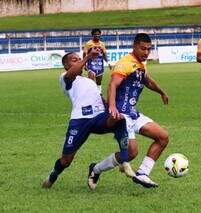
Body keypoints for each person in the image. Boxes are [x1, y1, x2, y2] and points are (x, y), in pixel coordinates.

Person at [42, 49, 134, 189]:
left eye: (79, 59)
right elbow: (72, 73)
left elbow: (100, 99)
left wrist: (111, 107)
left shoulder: (89, 82)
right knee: (66, 160)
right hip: (80, 121)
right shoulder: (65, 77)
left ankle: (124, 160)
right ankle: (53, 175)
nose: (78, 61)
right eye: (74, 60)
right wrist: (87, 57)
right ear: (66, 66)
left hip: (98, 117)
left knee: (119, 119)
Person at [88, 33, 169, 189]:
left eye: (149, 49)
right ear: (134, 47)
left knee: (163, 137)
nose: (146, 52)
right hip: (121, 115)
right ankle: (96, 169)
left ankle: (143, 173)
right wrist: (111, 106)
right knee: (132, 152)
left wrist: (161, 92)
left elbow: (147, 81)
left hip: (133, 113)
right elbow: (112, 85)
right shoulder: (125, 63)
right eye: (143, 49)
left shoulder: (141, 65)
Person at [83, 28, 112, 93]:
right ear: (92, 35)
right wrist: (84, 64)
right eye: (95, 34)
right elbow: (84, 53)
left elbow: (104, 54)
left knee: (99, 82)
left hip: (100, 66)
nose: (97, 36)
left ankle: (99, 94)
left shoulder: (102, 44)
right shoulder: (88, 43)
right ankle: (89, 94)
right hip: (91, 65)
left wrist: (108, 63)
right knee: (90, 81)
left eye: (98, 34)